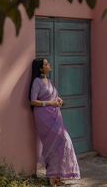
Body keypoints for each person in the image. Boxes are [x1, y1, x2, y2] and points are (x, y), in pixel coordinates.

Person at [29, 58, 80, 186]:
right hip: (43, 117)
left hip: (55, 115)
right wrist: (50, 103)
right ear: (41, 68)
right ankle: (52, 176)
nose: (49, 65)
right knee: (53, 144)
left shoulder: (49, 81)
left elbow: (53, 95)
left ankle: (55, 174)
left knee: (61, 143)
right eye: (46, 64)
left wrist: (59, 99)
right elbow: (33, 101)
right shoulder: (37, 81)